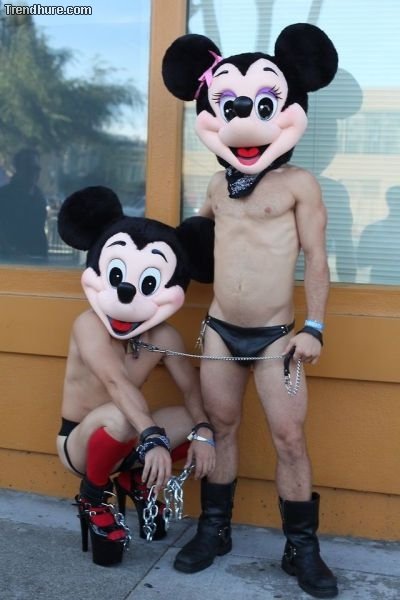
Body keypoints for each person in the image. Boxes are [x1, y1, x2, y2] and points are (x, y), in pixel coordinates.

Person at [162, 24, 339, 598]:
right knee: (221, 429)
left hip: (275, 337)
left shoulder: (299, 184)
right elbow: (197, 245)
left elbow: (317, 260)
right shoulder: (217, 184)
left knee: (289, 438)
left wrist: (314, 327)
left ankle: (301, 549)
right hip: (219, 330)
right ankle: (214, 531)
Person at [56, 185, 216, 566]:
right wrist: (152, 437)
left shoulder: (164, 336)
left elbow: (191, 390)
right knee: (121, 414)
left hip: (131, 437)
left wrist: (204, 432)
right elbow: (115, 383)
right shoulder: (88, 324)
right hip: (80, 443)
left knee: (196, 420)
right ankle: (93, 497)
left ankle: (136, 480)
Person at [0, 148, 48, 261]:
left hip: (37, 258)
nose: (33, 173)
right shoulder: (3, 197)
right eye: (28, 168)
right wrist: (10, 252)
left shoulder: (39, 197)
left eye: (37, 169)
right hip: (8, 262)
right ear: (18, 169)